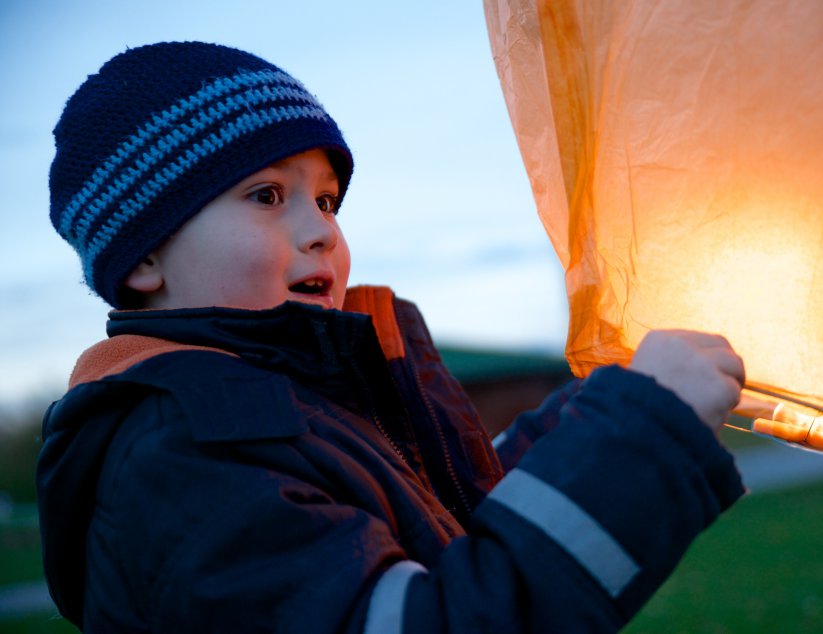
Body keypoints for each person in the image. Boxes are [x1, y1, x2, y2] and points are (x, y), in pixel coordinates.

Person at [36, 41, 746, 633]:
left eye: (325, 200)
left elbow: (462, 513)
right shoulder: (184, 453)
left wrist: (609, 407)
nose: (321, 230)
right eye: (267, 195)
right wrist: (643, 435)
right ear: (143, 258)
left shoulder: (315, 404)